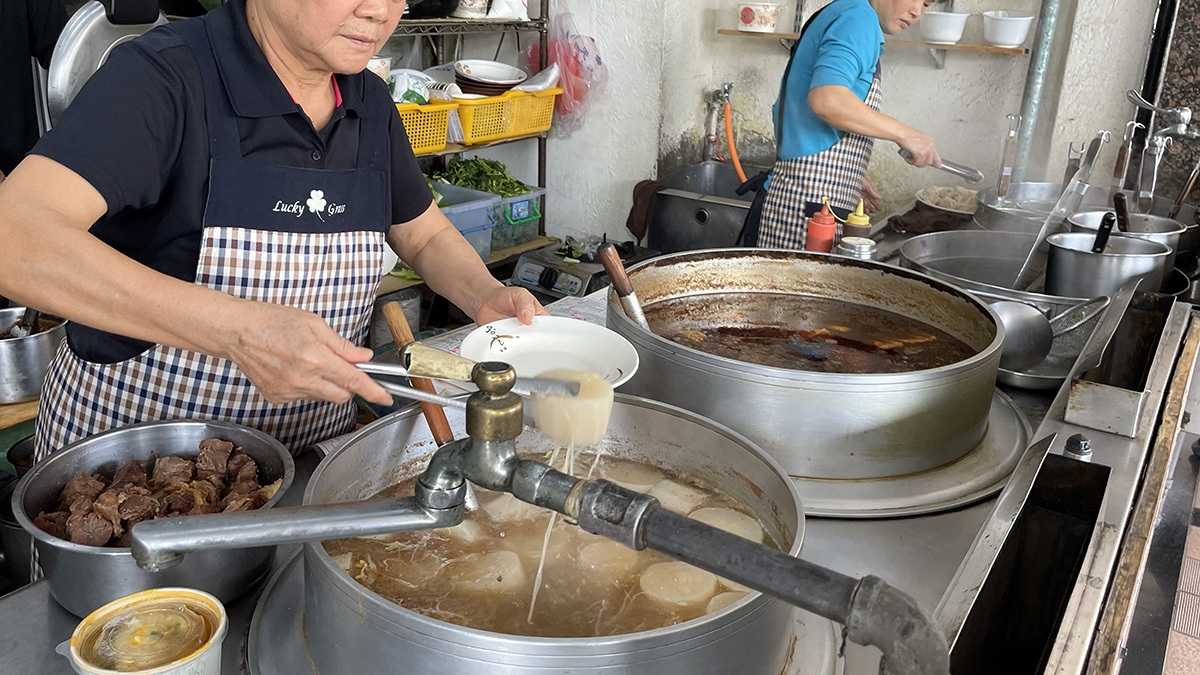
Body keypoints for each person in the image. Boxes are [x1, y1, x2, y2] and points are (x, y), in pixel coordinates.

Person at [0, 0, 547, 460]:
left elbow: (421, 234)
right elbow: (14, 238)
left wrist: (486, 295)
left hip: (303, 465)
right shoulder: (164, 76)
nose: (381, 10)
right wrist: (239, 331)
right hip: (133, 474)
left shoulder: (367, 99)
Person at [751, 0, 943, 249]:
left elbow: (795, 114)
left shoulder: (846, 12)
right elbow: (827, 99)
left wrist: (846, 175)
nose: (917, 12)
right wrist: (905, 134)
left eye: (926, 4)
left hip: (803, 197)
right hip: (804, 210)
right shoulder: (858, 19)